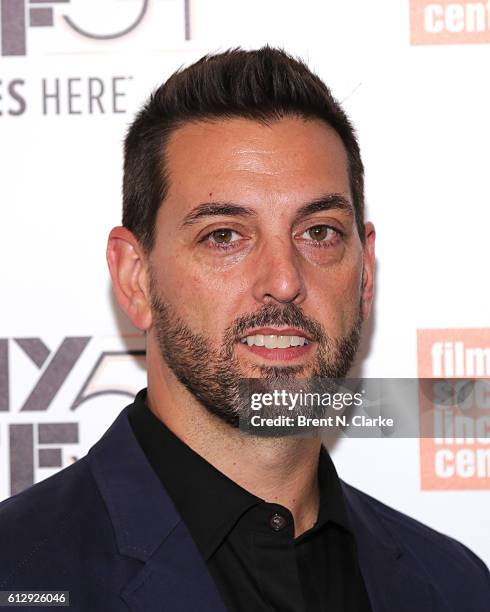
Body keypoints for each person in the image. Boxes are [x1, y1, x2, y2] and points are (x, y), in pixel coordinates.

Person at [0, 47, 488, 612]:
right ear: (136, 279)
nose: (283, 281)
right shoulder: (18, 575)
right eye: (224, 236)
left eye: (320, 232)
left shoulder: (456, 586)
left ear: (366, 271)